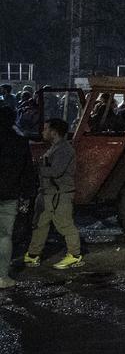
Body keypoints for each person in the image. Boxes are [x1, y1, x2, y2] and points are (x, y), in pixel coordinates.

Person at [23, 119, 84, 269]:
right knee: (39, 225)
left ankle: (75, 255)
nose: (43, 132)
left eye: (45, 129)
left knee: (65, 226)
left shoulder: (64, 149)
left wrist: (35, 169)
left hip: (59, 195)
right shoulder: (55, 148)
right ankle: (32, 255)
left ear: (54, 132)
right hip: (48, 194)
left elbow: (56, 172)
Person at [0, 106, 35, 288]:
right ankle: (2, 277)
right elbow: (27, 173)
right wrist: (27, 196)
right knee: (5, 236)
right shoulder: (20, 143)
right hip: (9, 195)